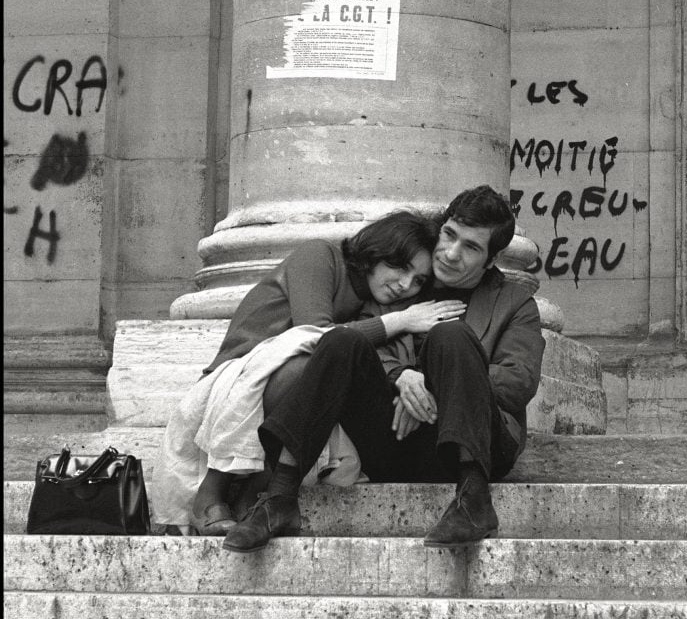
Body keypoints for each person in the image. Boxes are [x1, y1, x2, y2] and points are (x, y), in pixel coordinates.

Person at [222, 185, 546, 553]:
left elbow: (518, 381)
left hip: (476, 445)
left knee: (451, 336)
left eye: (471, 247)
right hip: (394, 438)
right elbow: (370, 347)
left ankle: (473, 501)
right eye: (450, 235)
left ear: (490, 260)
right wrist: (400, 378)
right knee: (341, 341)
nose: (452, 254)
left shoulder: (516, 304)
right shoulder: (405, 286)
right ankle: (280, 497)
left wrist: (435, 386)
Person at [155, 210, 466, 535]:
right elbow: (313, 333)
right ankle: (212, 492)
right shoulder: (319, 255)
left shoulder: (377, 303)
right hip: (242, 369)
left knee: (323, 377)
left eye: (418, 280)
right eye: (401, 267)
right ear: (376, 252)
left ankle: (259, 490)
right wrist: (399, 321)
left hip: (297, 385)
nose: (405, 285)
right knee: (308, 366)